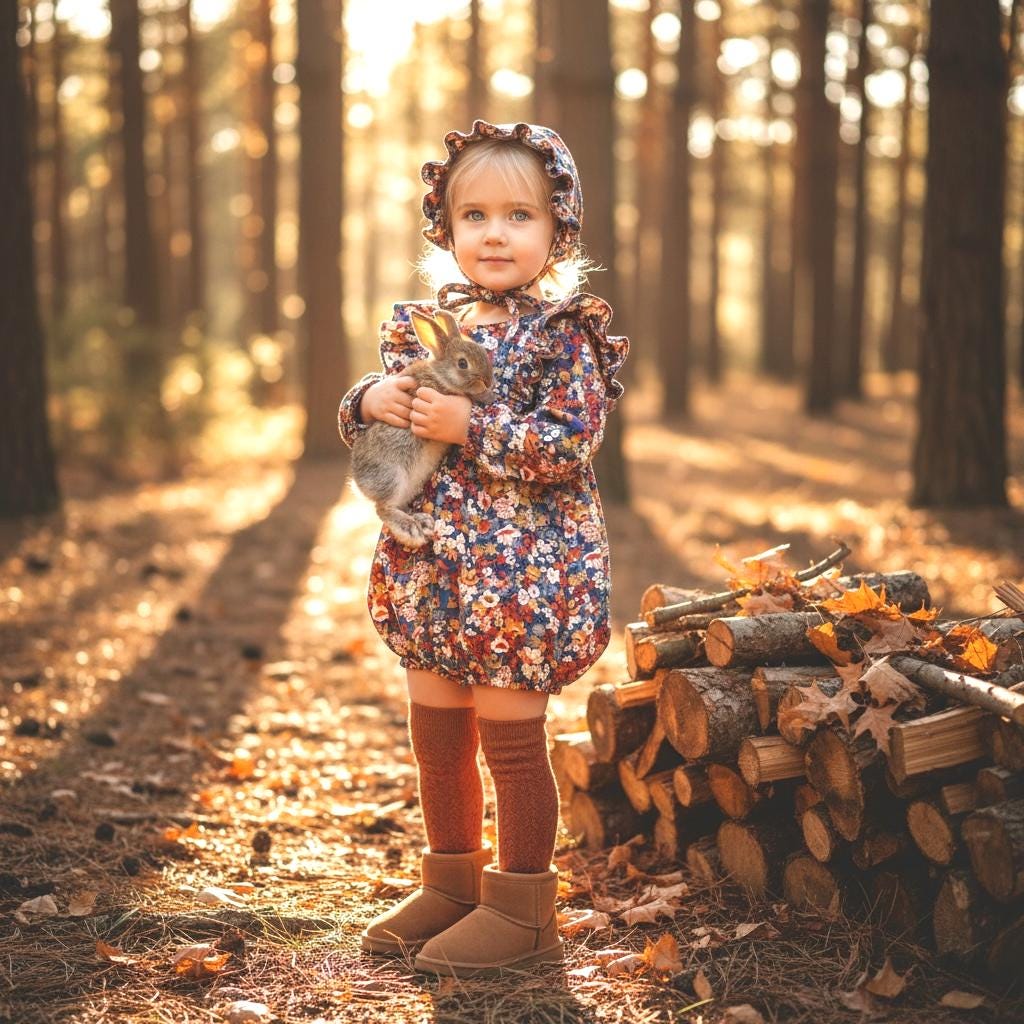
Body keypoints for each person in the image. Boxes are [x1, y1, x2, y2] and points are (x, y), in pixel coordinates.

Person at [337, 120, 628, 977]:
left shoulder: (563, 334)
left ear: (557, 230)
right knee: (437, 731)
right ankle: (452, 882)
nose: (494, 233)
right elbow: (371, 420)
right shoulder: (428, 326)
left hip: (521, 577)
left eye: (519, 216)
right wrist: (369, 399)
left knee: (508, 736)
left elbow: (570, 442)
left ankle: (524, 904)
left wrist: (474, 424)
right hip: (434, 571)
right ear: (447, 227)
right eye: (474, 216)